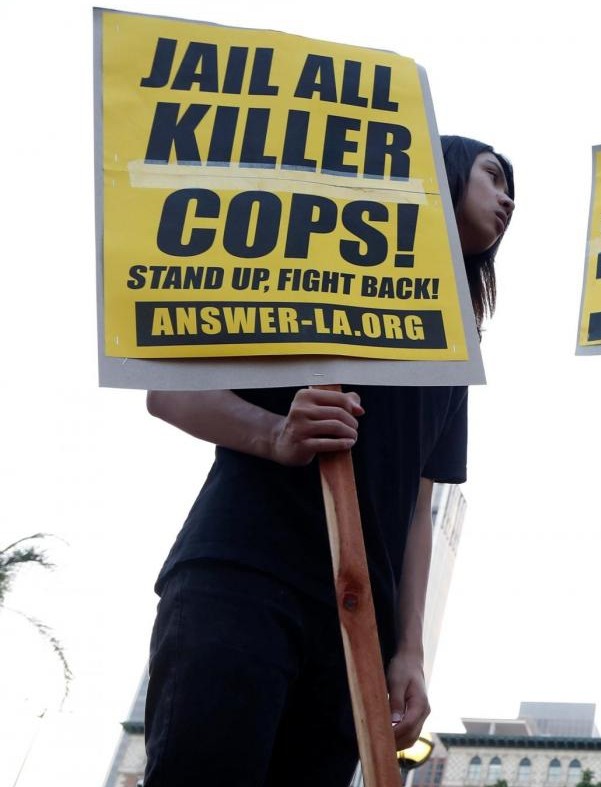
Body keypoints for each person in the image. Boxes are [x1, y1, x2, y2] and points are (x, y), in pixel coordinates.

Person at [142, 136, 514, 785]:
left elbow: (419, 511)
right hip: (243, 575)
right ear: (445, 171)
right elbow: (169, 390)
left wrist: (409, 649)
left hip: (355, 626)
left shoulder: (456, 348)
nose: (508, 199)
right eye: (494, 176)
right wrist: (275, 432)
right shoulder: (310, 268)